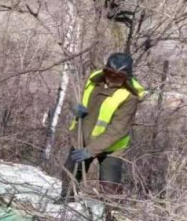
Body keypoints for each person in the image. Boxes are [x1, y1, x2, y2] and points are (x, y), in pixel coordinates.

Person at [59, 52, 146, 202]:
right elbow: (73, 97)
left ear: (127, 77)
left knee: (110, 187)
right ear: (105, 70)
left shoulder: (130, 97)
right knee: (70, 173)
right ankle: (66, 202)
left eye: (119, 77)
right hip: (83, 137)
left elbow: (117, 130)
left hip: (111, 147)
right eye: (109, 73)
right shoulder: (93, 80)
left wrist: (91, 150)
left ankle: (112, 217)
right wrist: (75, 107)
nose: (112, 79)